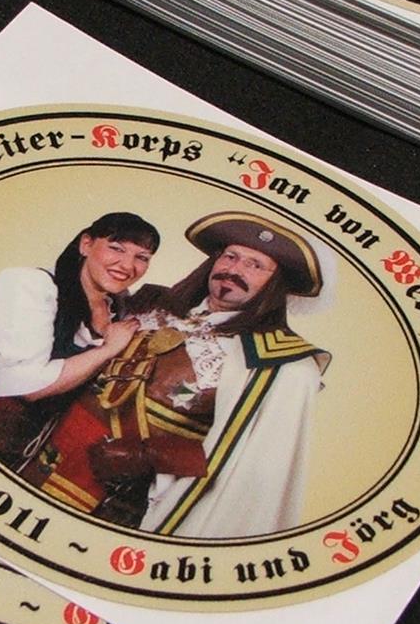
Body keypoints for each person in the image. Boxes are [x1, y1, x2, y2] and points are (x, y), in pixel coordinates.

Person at [19, 211, 331, 537]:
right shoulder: (148, 301)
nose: (234, 270)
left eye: (255, 265)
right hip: (36, 459)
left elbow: (245, 465)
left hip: (115, 508)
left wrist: (150, 457)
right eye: (230, 256)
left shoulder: (275, 364)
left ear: (276, 285)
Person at [0, 212, 161, 470]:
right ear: (86, 244)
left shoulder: (119, 309)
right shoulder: (31, 286)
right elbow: (28, 386)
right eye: (116, 248)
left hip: (19, 445)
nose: (127, 266)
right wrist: (108, 349)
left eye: (142, 257)